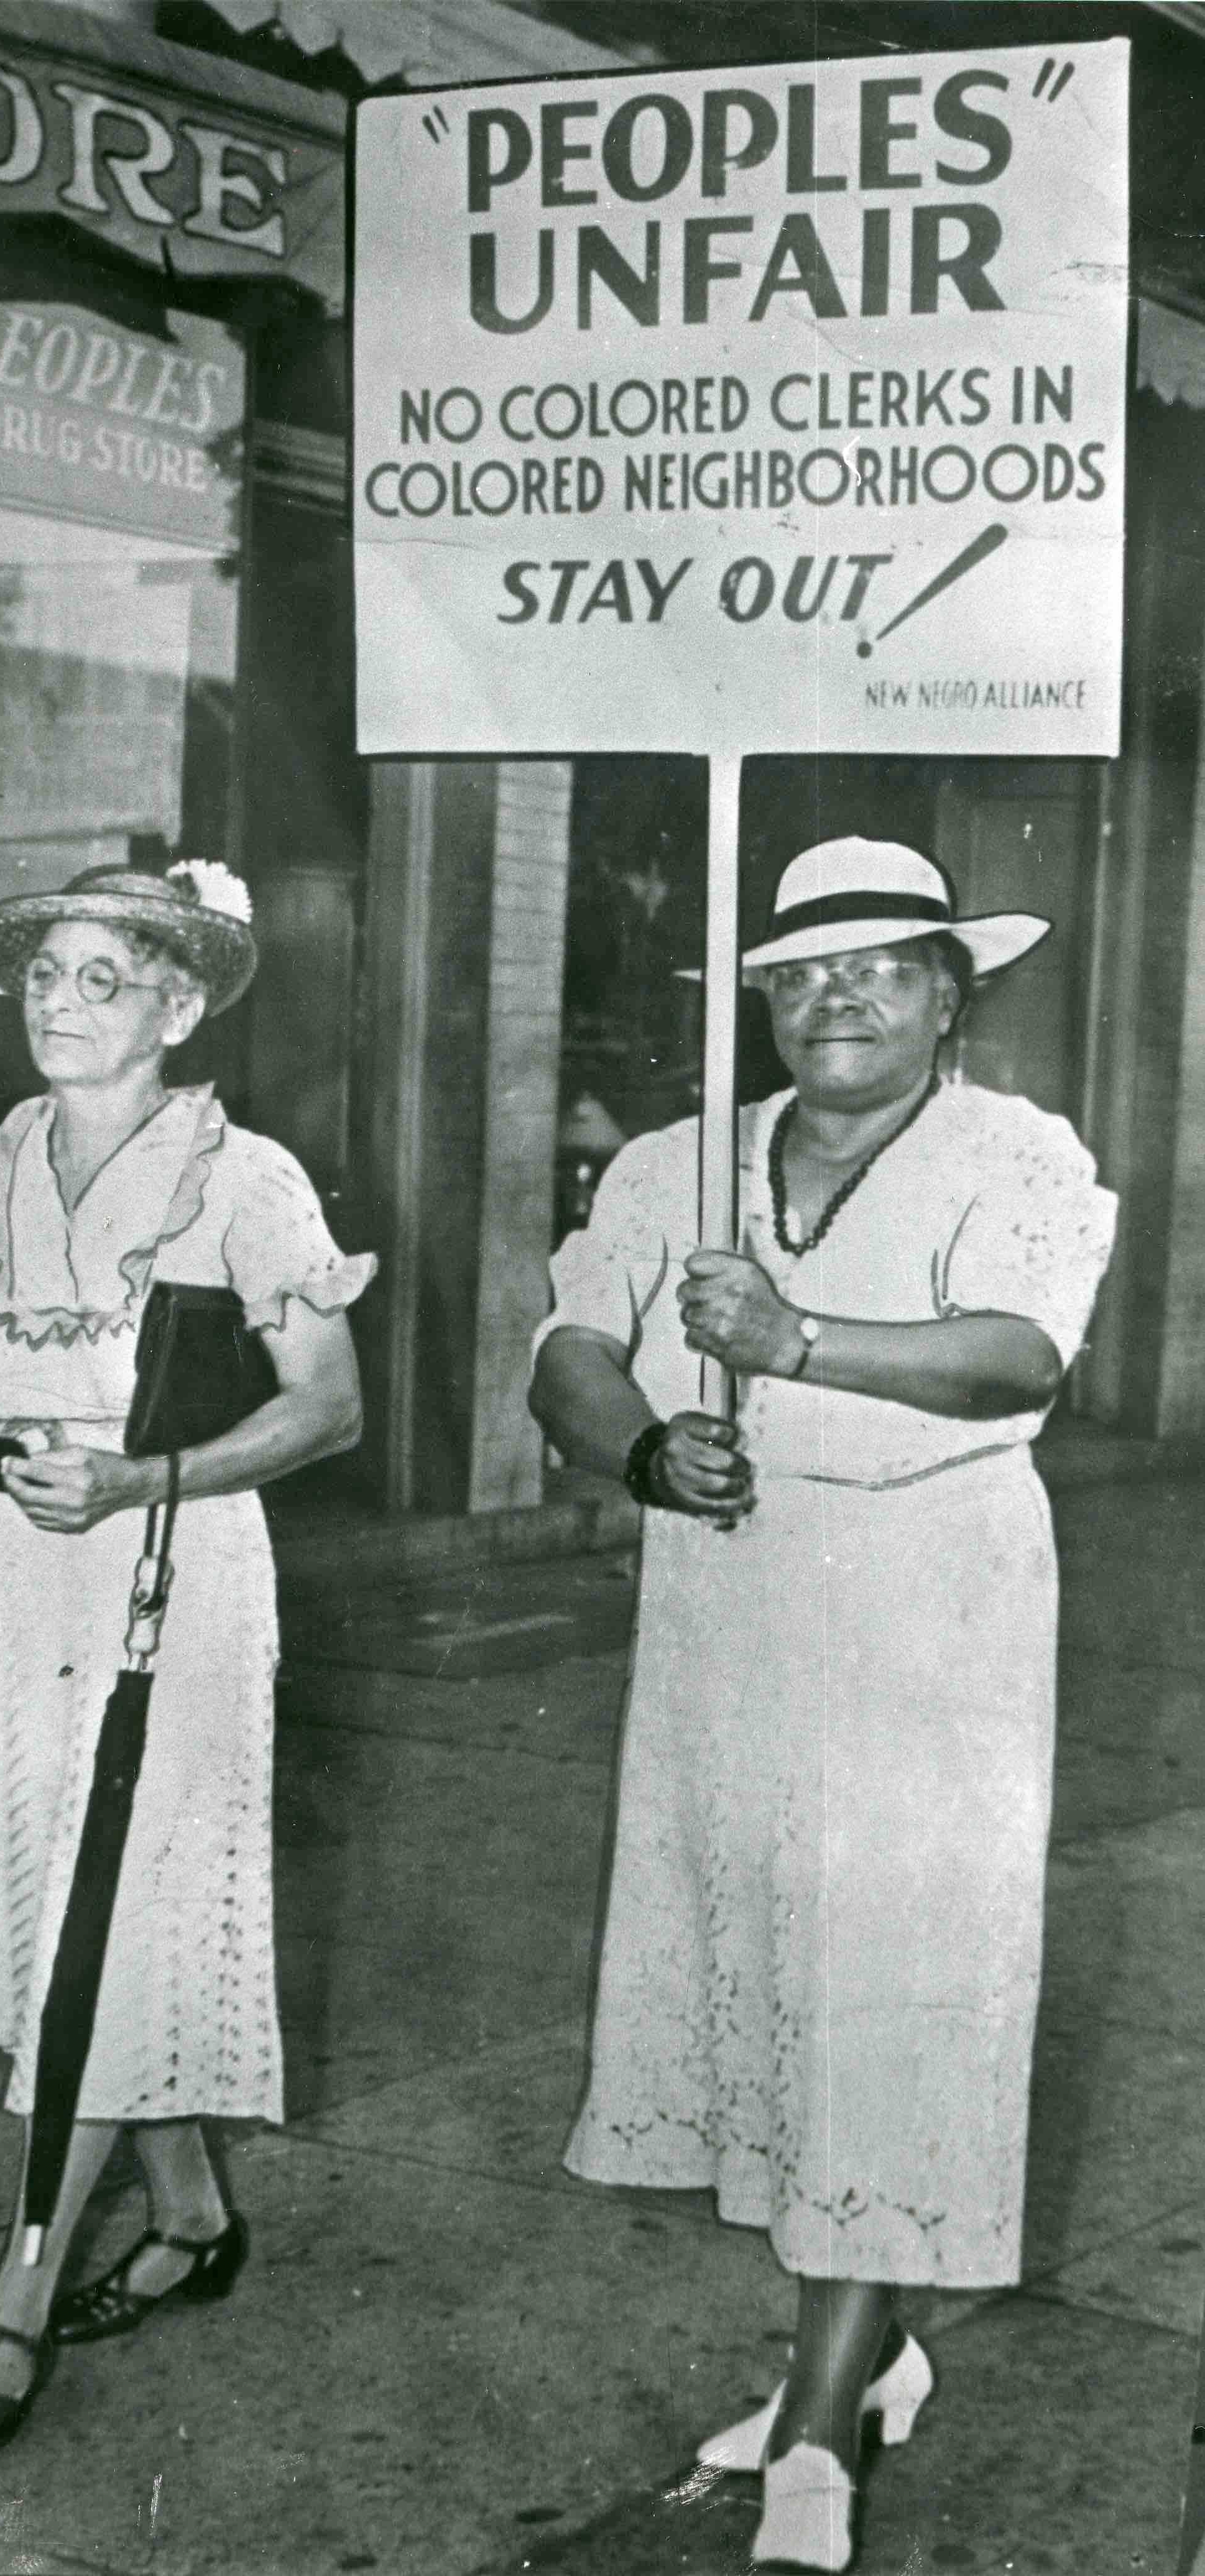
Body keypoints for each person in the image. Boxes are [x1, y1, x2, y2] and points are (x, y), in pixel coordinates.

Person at [529, 839, 1117, 2573]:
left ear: (948, 994)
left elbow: (1018, 1356)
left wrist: (790, 1346)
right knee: (764, 1977)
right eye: (797, 973)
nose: (834, 997)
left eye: (878, 967)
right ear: (760, 1003)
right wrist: (639, 1444)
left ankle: (813, 2428)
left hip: (932, 1605)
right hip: (728, 1596)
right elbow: (569, 1347)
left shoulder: (1021, 1154)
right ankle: (870, 2349)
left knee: (889, 1987)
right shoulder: (671, 1165)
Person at [0, 862, 374, 2469]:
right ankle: (192, 2209)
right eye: (46, 978)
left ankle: (14, 2296)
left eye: (103, 979)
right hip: (12, 1580)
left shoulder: (242, 1178)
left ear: (180, 1007)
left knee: (108, 1903)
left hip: (173, 1574)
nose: (62, 1005)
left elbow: (326, 1406)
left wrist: (146, 1479)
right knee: (58, 1898)